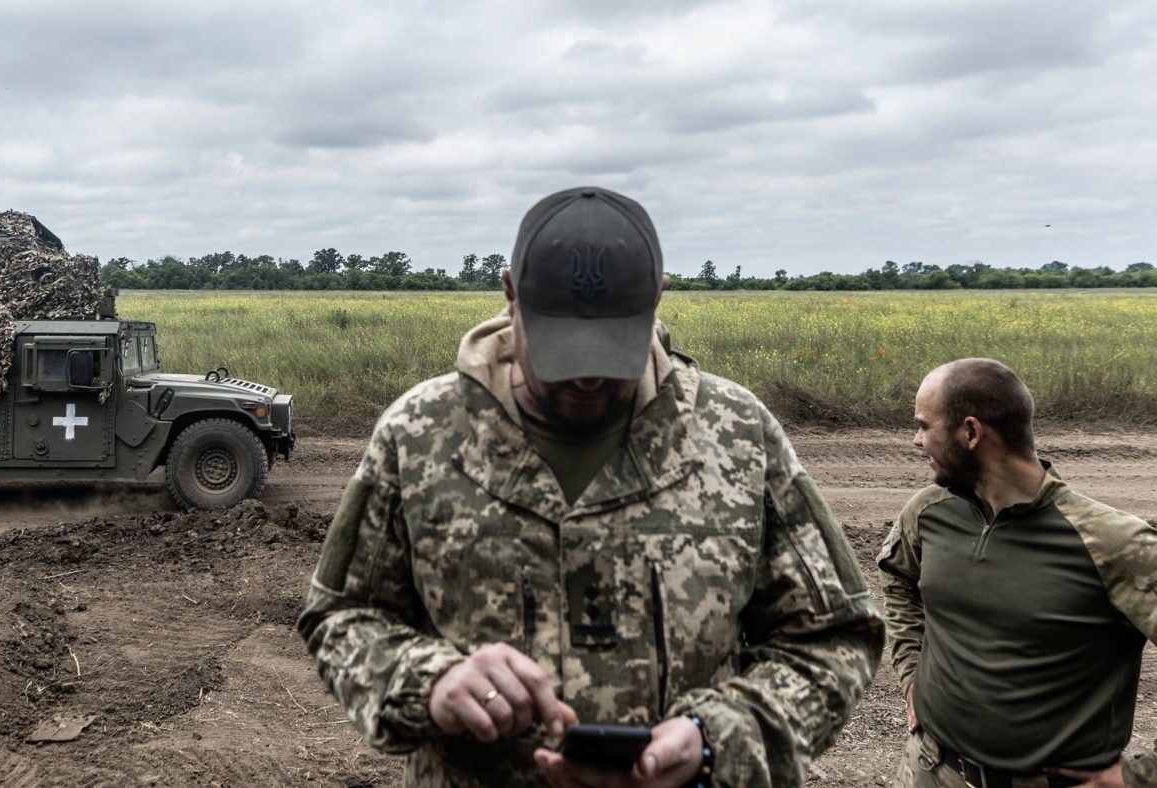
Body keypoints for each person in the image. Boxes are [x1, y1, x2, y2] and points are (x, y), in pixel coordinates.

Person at [298, 186, 883, 787]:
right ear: (509, 294)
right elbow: (342, 613)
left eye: (610, 350)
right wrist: (430, 680)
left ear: (658, 299)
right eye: (561, 351)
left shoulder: (736, 433)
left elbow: (834, 635)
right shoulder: (419, 432)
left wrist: (716, 738)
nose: (586, 378)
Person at [880, 359, 1157, 787]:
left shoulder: (1113, 544)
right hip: (930, 770)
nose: (917, 441)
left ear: (971, 433)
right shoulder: (928, 512)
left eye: (923, 425)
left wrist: (1139, 777)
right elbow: (898, 579)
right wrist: (912, 674)